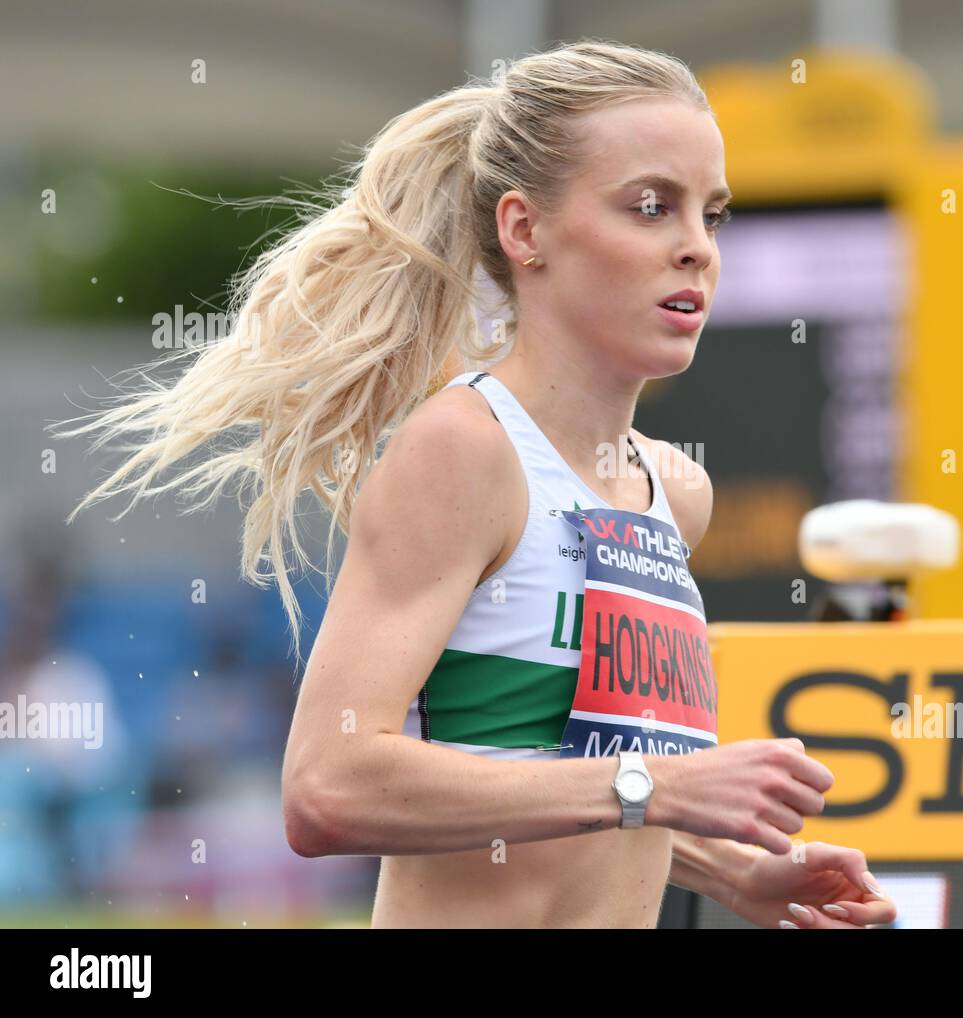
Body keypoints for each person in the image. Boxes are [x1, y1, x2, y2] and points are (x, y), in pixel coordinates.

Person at [50, 39, 896, 929]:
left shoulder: (676, 493)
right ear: (524, 230)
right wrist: (661, 783)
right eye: (651, 207)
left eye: (711, 215)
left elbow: (554, 779)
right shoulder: (465, 449)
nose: (695, 249)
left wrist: (731, 873)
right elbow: (327, 786)